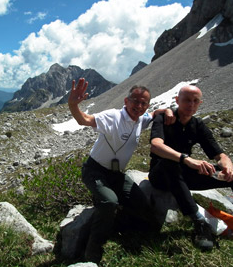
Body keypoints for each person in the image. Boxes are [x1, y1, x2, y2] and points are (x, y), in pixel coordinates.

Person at [148, 85, 233, 251]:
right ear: (177, 101)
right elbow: (156, 146)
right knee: (170, 162)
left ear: (200, 103)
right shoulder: (165, 119)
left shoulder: (197, 125)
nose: (191, 104)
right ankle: (200, 224)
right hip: (160, 176)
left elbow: (220, 155)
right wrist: (186, 159)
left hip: (183, 176)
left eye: (195, 101)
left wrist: (228, 168)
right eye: (187, 100)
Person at [68, 78, 175, 263]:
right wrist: (73, 104)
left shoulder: (142, 119)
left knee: (140, 203)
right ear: (126, 101)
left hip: (116, 175)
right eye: (135, 101)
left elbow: (153, 113)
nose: (139, 106)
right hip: (95, 171)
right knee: (109, 202)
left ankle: (118, 229)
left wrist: (167, 110)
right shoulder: (113, 116)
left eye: (144, 103)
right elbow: (84, 120)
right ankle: (92, 250)